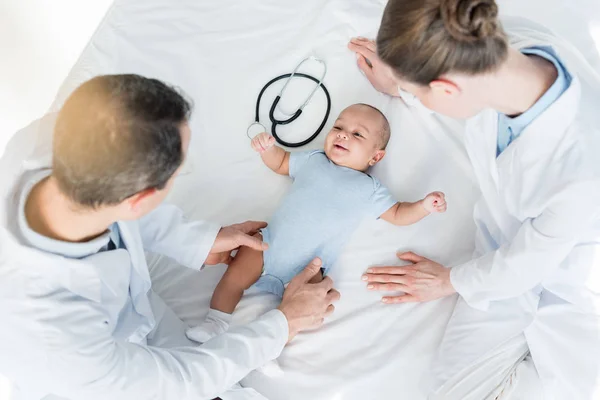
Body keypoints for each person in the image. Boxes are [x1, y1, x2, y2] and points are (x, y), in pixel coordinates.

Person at [0, 74, 340, 400]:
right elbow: (183, 381)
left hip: (132, 319)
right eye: (179, 171)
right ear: (139, 200)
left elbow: (107, 202)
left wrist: (198, 241)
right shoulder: (55, 333)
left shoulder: (53, 136)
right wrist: (283, 324)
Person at [348, 0, 600, 399]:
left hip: (566, 268)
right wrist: (402, 85)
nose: (420, 99)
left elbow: (525, 267)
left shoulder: (580, 167)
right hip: (508, 247)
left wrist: (446, 280)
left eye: (423, 93)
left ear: (446, 88)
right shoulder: (502, 42)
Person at [187, 103, 447, 343]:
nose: (343, 135)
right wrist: (267, 149)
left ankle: (272, 344)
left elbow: (399, 214)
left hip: (309, 268)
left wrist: (424, 206)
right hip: (268, 245)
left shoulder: (369, 189)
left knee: (305, 307)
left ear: (375, 157)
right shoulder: (314, 160)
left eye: (358, 135)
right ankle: (216, 322)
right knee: (233, 278)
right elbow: (281, 163)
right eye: (338, 127)